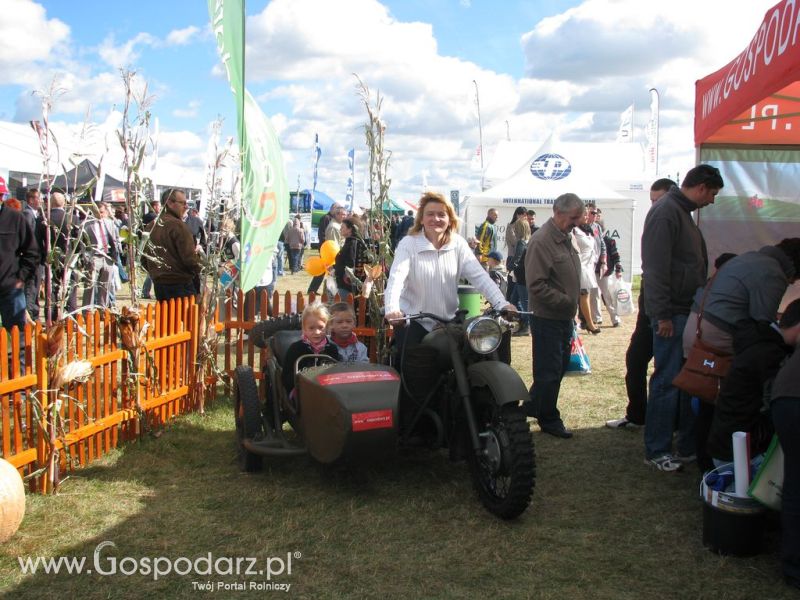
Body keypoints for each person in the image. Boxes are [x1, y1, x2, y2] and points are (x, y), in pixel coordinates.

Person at [641, 164, 723, 472]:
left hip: (681, 312)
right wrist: (661, 314)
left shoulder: (679, 212)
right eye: (713, 193)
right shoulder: (667, 213)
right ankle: (658, 449)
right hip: (670, 314)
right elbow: (655, 268)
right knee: (667, 381)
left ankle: (686, 446)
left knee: (684, 381)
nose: (712, 200)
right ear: (701, 186)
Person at [384, 192, 515, 364]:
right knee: (414, 372)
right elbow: (396, 278)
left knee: (488, 341)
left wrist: (502, 303)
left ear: (450, 219)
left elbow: (480, 277)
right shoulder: (409, 244)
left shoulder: (458, 244)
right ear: (421, 219)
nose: (435, 219)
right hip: (415, 322)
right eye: (430, 214)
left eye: (441, 214)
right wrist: (392, 309)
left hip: (450, 322)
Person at [607, 178, 675, 429]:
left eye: (659, 200)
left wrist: (664, 314)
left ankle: (663, 421)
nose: (655, 206)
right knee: (635, 362)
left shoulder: (673, 222)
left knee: (665, 372)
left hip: (665, 313)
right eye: (652, 201)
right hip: (649, 312)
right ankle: (638, 414)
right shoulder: (659, 222)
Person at [706, 301, 800, 466]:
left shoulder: (759, 340)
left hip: (726, 444)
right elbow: (779, 407)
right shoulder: (771, 354)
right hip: (743, 453)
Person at [524, 193, 584, 439]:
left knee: (556, 368)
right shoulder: (542, 241)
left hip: (562, 318)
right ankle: (548, 418)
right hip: (547, 318)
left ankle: (533, 406)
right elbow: (536, 285)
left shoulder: (566, 237)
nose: (577, 222)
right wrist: (567, 302)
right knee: (548, 371)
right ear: (558, 213)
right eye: (573, 217)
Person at [770, 326, 800, 590]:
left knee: (795, 485)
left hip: (787, 397)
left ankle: (793, 567)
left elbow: (790, 335)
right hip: (791, 398)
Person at [141, 189, 201, 302]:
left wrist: (157, 273)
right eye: (182, 203)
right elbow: (190, 259)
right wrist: (203, 268)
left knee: (167, 319)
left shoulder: (151, 226)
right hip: (180, 285)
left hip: (159, 285)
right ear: (169, 203)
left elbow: (143, 259)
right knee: (186, 319)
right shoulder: (178, 226)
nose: (186, 206)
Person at [282, 303, 340, 397]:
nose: (316, 332)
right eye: (311, 328)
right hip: (301, 391)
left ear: (327, 327)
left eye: (321, 328)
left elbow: (336, 373)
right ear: (304, 329)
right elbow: (286, 377)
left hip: (326, 391)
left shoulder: (331, 349)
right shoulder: (296, 349)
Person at [0, 198, 39, 332]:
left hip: (10, 289)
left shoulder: (15, 219)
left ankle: (17, 353)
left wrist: (21, 278)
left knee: (17, 336)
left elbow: (32, 252)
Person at [81, 201, 118, 309]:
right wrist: (87, 258)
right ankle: (87, 311)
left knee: (105, 287)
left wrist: (115, 255)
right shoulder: (86, 224)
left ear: (105, 211)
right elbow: (82, 243)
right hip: (94, 257)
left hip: (107, 258)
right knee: (90, 287)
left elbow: (114, 239)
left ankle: (103, 309)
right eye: (98, 212)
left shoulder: (110, 223)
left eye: (102, 212)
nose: (100, 215)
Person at [573, 207, 601, 335]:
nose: (586, 216)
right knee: (583, 295)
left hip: (589, 266)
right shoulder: (574, 229)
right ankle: (589, 323)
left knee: (586, 295)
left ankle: (587, 322)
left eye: (587, 214)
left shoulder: (589, 229)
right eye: (584, 214)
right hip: (579, 266)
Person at [22, 188, 45, 321]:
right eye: (38, 198)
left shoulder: (36, 214)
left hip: (38, 257)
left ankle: (34, 315)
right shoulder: (27, 214)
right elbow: (29, 236)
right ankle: (30, 317)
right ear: (31, 200)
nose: (41, 200)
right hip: (32, 258)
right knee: (31, 287)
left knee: (35, 287)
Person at [307, 204, 340, 294]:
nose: (338, 212)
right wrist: (325, 246)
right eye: (337, 209)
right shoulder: (326, 218)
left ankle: (313, 289)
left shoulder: (331, 219)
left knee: (326, 269)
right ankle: (313, 289)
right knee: (323, 268)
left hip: (329, 248)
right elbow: (322, 234)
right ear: (332, 209)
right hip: (327, 249)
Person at [334, 216, 367, 302]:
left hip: (347, 287)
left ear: (350, 229)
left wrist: (337, 269)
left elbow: (351, 265)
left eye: (343, 227)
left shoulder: (352, 244)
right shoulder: (349, 242)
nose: (340, 229)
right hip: (344, 284)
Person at [597, 227, 624, 328]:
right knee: (593, 296)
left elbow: (616, 256)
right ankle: (596, 319)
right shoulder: (591, 239)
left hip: (605, 272)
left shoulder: (609, 241)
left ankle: (615, 318)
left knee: (607, 296)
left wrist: (618, 269)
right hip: (592, 271)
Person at [141, 200, 161, 300]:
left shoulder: (145, 216)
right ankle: (146, 291)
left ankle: (146, 291)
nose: (160, 208)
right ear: (154, 206)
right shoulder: (153, 217)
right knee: (154, 270)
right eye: (159, 206)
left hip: (148, 245)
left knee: (152, 270)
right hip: (152, 245)